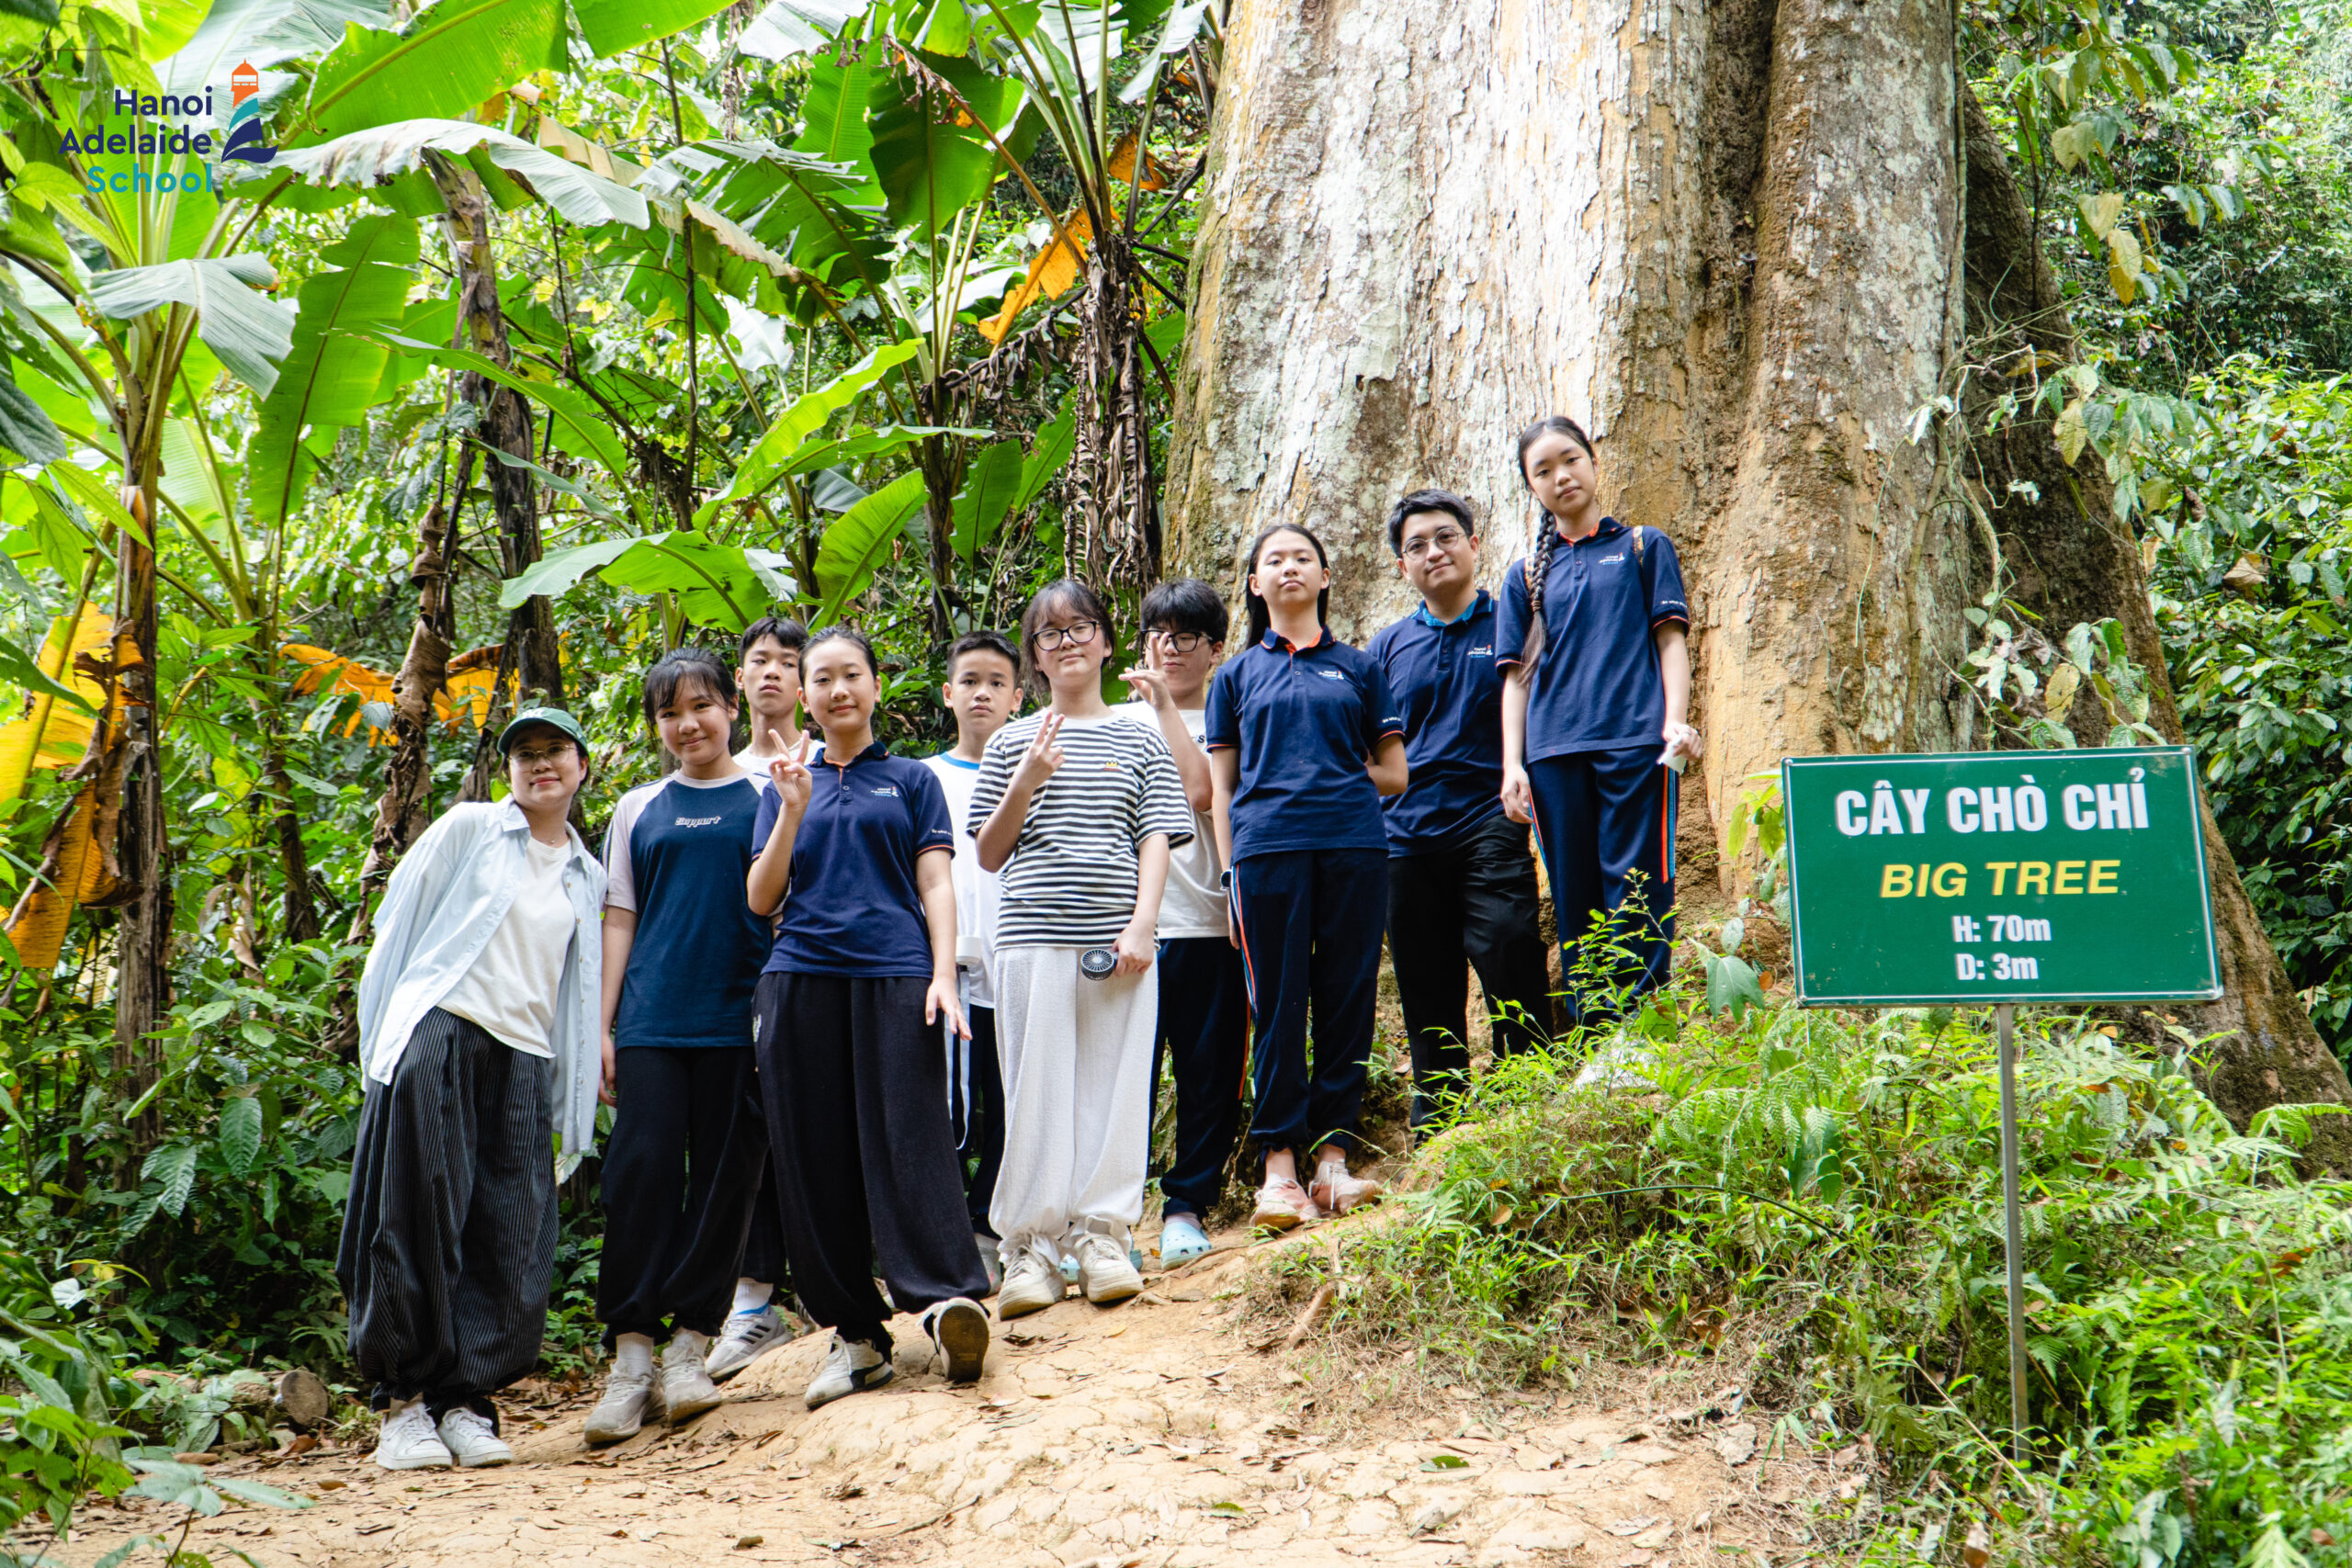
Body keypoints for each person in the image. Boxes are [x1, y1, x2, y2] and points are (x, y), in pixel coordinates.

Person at [341, 707, 605, 1472]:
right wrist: (387, 1048)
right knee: (414, 1213)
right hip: (442, 1029)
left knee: (512, 1227)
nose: (540, 763)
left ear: (581, 766)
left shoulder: (588, 875)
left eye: (555, 750)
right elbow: (397, 929)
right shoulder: (469, 829)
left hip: (524, 1055)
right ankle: (402, 1406)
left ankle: (464, 1400)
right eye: (525, 753)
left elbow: (577, 990)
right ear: (508, 770)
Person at [746, 626, 992, 1408]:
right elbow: (761, 897)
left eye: (851, 674)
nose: (838, 689)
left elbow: (936, 883)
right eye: (822, 678)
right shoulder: (783, 785)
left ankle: (949, 1302)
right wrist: (791, 809)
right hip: (800, 981)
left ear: (877, 685)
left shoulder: (911, 779)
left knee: (911, 1137)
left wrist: (943, 974)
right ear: (806, 697)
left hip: (896, 977)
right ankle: (856, 1335)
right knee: (814, 1157)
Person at [972, 581, 1191, 1316]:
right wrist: (1027, 780)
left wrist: (1143, 923)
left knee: (1115, 1087)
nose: (1066, 641)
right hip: (1030, 938)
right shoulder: (1011, 741)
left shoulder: (1140, 737)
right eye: (1050, 633)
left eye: (1080, 627)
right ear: (1034, 657)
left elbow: (1156, 834)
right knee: (1035, 1092)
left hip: (1117, 941)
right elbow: (989, 853)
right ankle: (1031, 1250)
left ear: (1105, 641)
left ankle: (1103, 1238)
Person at [583, 650, 775, 1445]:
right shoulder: (639, 807)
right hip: (653, 1021)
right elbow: (620, 915)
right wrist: (603, 1025)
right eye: (669, 713)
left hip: (739, 1021)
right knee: (641, 1179)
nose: (687, 724)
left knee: (727, 1183)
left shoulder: (770, 795)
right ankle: (631, 1359)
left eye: (700, 706)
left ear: (731, 707)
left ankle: (692, 1348)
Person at [1204, 525, 1408, 1230]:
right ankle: (1279, 1171)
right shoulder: (1236, 676)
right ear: (1254, 583)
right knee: (1279, 1006)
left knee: (1348, 999)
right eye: (1274, 560)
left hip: (1355, 847)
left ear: (1325, 576)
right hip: (1266, 853)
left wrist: (1334, 776)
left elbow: (1395, 773)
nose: (1289, 567)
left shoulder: (1359, 667)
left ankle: (1333, 1163)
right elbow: (1222, 788)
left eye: (1302, 558)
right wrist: (1228, 873)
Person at [1497, 416, 1700, 1028]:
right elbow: (1516, 679)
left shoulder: (1641, 546)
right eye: (1543, 470)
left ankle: (1644, 1032)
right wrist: (1512, 765)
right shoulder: (1525, 575)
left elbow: (1670, 642)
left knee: (1640, 885)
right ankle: (1596, 1034)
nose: (1561, 476)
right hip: (1553, 756)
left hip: (1636, 745)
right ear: (1532, 487)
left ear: (1593, 462)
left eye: (1570, 460)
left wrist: (1676, 721)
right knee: (1575, 895)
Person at [1369, 491, 1556, 1134]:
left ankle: (1527, 1098)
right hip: (1403, 836)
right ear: (1402, 566)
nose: (1434, 552)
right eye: (1417, 546)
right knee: (1425, 982)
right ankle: (1440, 1124)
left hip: (1489, 818)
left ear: (1474, 545)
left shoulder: (1511, 620)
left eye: (1446, 537)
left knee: (1509, 945)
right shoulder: (1387, 647)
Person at [1110, 579, 1245, 1267]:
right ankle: (1113, 1224)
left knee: (1207, 1080)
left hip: (1210, 925)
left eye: (1186, 636)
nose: (1169, 648)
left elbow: (1204, 794)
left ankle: (1186, 1208)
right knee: (1119, 1083)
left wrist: (1165, 707)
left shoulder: (1232, 716)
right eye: (1158, 634)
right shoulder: (1110, 720)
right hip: (1125, 933)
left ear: (1216, 648)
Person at [711, 614, 808, 1382]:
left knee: (817, 1124)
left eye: (787, 660)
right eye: (758, 660)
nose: (771, 670)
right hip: (732, 980)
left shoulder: (834, 762)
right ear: (739, 680)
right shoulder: (721, 773)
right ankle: (752, 1300)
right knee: (747, 1131)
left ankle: (831, 1280)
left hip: (816, 972)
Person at [920, 629, 1023, 1287]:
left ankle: (993, 1225)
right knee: (949, 1109)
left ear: (1017, 697)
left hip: (1020, 962)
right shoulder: (922, 777)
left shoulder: (1034, 769)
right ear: (948, 693)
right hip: (949, 969)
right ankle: (952, 1237)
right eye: (969, 681)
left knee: (1014, 1100)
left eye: (996, 683)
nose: (981, 693)